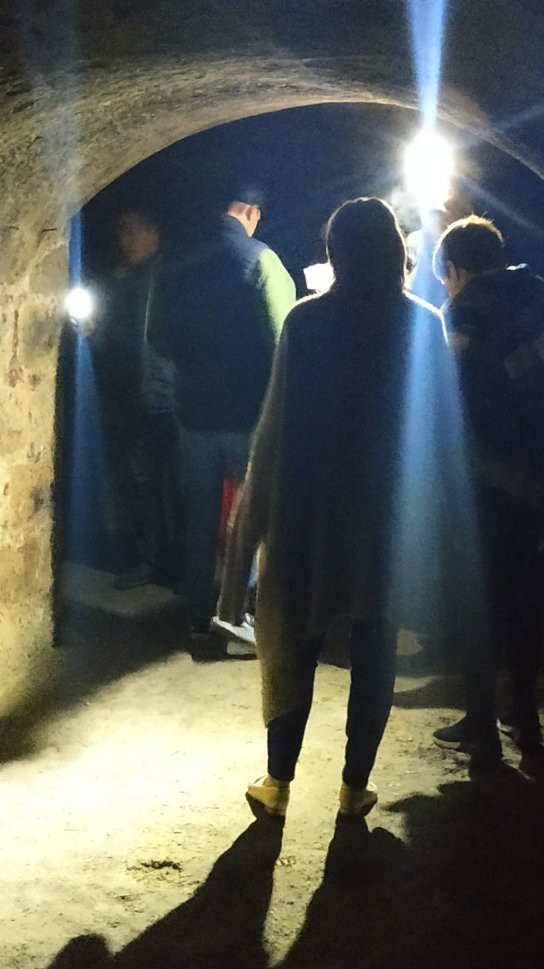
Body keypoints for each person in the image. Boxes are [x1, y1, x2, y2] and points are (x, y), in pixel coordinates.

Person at [221, 197, 466, 818]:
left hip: (310, 505)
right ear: (396, 252)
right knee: (376, 641)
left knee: (294, 639)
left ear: (336, 253)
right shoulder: (424, 323)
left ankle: (278, 783)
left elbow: (276, 426)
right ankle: (355, 788)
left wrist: (253, 525)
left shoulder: (306, 322)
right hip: (389, 512)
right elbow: (444, 432)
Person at [428, 215, 544, 759]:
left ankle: (480, 722)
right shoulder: (541, 298)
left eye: (445, 279)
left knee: (480, 598)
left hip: (485, 477)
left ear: (456, 269)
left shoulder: (464, 312)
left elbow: (455, 398)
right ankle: (526, 716)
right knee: (526, 595)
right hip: (541, 469)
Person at [153, 184, 297, 641]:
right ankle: (238, 611)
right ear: (251, 212)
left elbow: (157, 336)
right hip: (248, 414)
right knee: (250, 515)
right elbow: (285, 338)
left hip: (193, 412)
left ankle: (198, 613)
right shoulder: (262, 259)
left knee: (198, 513)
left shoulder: (175, 262)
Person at [86, 208, 177, 589]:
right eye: (120, 233)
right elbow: (113, 340)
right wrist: (93, 332)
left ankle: (178, 564)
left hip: (170, 399)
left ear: (153, 232)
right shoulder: (121, 280)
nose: (123, 241)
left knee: (173, 484)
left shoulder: (172, 275)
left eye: (130, 231)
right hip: (134, 399)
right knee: (143, 483)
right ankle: (153, 560)